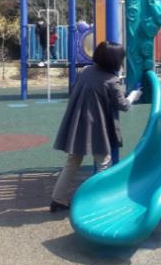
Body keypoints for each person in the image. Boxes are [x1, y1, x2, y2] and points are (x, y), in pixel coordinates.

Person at [50, 41, 142, 212]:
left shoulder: (86, 71)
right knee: (104, 163)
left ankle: (58, 198)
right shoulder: (111, 81)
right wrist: (133, 96)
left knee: (72, 161)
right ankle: (100, 201)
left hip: (77, 123)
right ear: (115, 62)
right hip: (96, 126)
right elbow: (123, 105)